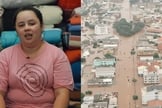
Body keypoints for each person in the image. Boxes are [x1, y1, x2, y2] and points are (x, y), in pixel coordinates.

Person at [0, 6, 74, 108]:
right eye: (21, 25)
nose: (27, 28)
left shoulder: (57, 55)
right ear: (16, 31)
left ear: (42, 26)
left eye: (32, 23)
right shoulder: (5, 55)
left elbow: (62, 93)